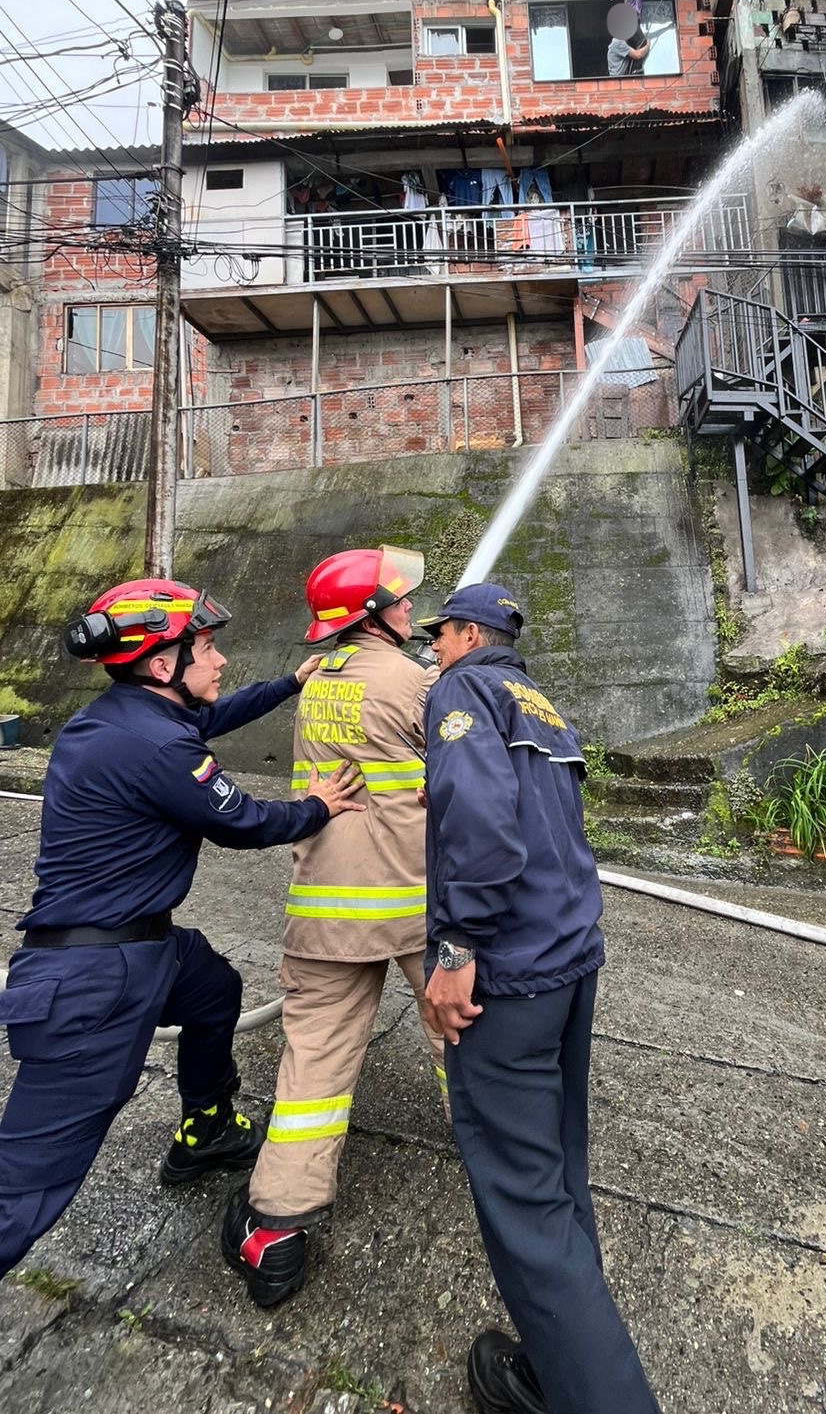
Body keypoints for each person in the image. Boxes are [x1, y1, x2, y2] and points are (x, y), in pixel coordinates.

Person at [0, 579, 364, 1279]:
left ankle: (207, 1128)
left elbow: (211, 716)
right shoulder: (161, 749)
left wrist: (289, 682)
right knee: (24, 1189)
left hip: (138, 948)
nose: (221, 658)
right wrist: (317, 807)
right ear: (163, 665)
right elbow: (244, 822)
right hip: (93, 988)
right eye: (207, 646)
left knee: (212, 988)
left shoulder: (117, 721)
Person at [418, 584, 660, 1414]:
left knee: (523, 1199)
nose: (433, 654)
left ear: (464, 633)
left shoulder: (460, 689)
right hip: (570, 963)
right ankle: (559, 1356)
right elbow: (536, 815)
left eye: (438, 638)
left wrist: (454, 949)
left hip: (508, 978)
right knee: (556, 1172)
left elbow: (483, 823)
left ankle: (594, 1395)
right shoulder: (539, 700)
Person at [223, 546, 446, 1307]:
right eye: (403, 600)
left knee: (312, 1067)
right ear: (375, 611)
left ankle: (275, 1229)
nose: (414, 610)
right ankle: (503, 1162)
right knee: (463, 1035)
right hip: (416, 901)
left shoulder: (317, 681)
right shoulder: (415, 682)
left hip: (326, 905)